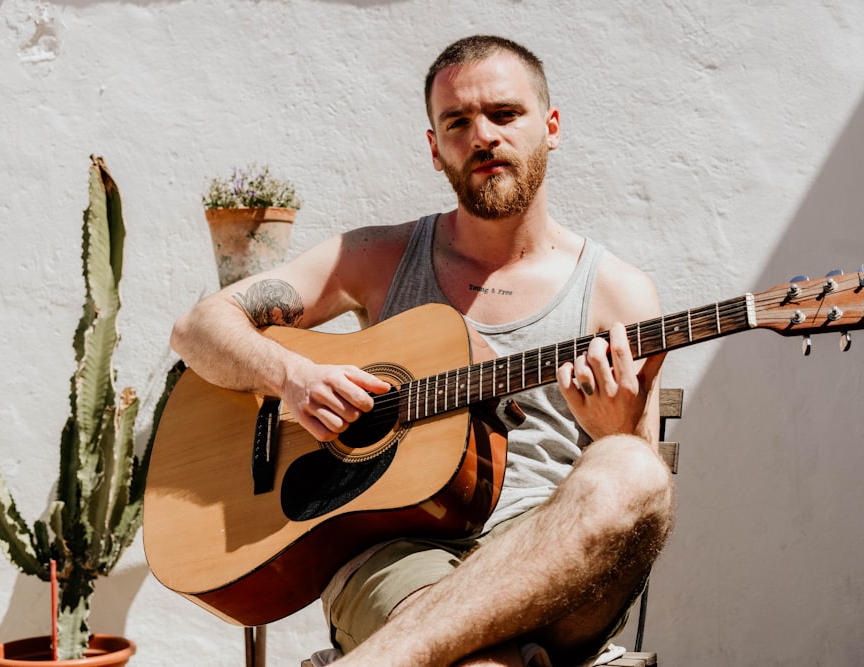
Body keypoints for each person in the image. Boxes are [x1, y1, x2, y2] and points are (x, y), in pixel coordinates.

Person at [171, 34, 673, 667]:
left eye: (505, 114)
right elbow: (199, 328)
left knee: (634, 470)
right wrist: (292, 375)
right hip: (398, 558)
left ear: (550, 126)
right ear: (435, 150)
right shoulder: (378, 258)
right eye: (457, 122)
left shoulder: (619, 293)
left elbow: (636, 505)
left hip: (552, 554)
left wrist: (614, 435)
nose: (483, 136)